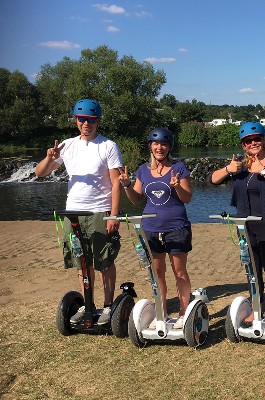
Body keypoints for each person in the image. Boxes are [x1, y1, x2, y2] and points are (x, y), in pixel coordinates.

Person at [35, 99, 123, 325]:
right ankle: (88, 304)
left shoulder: (108, 146)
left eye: (91, 120)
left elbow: (116, 183)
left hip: (99, 212)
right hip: (72, 212)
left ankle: (108, 305)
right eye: (82, 119)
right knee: (82, 262)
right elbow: (40, 173)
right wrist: (50, 158)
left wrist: (113, 214)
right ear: (76, 120)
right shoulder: (67, 145)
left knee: (104, 261)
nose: (86, 123)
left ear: (98, 121)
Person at [210, 122, 265, 331]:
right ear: (244, 145)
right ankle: (257, 310)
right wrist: (228, 169)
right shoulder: (239, 165)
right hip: (245, 225)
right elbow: (213, 180)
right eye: (248, 141)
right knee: (251, 268)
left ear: (264, 140)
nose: (253, 143)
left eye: (257, 139)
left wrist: (262, 171)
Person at [118, 128, 193, 329]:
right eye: (156, 144)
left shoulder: (178, 168)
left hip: (177, 226)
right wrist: (126, 185)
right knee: (156, 273)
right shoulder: (143, 170)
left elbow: (187, 197)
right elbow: (136, 200)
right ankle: (162, 311)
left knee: (179, 272)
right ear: (151, 146)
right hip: (150, 228)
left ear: (169, 147)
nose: (160, 148)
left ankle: (184, 313)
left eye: (164, 145)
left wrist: (177, 186)